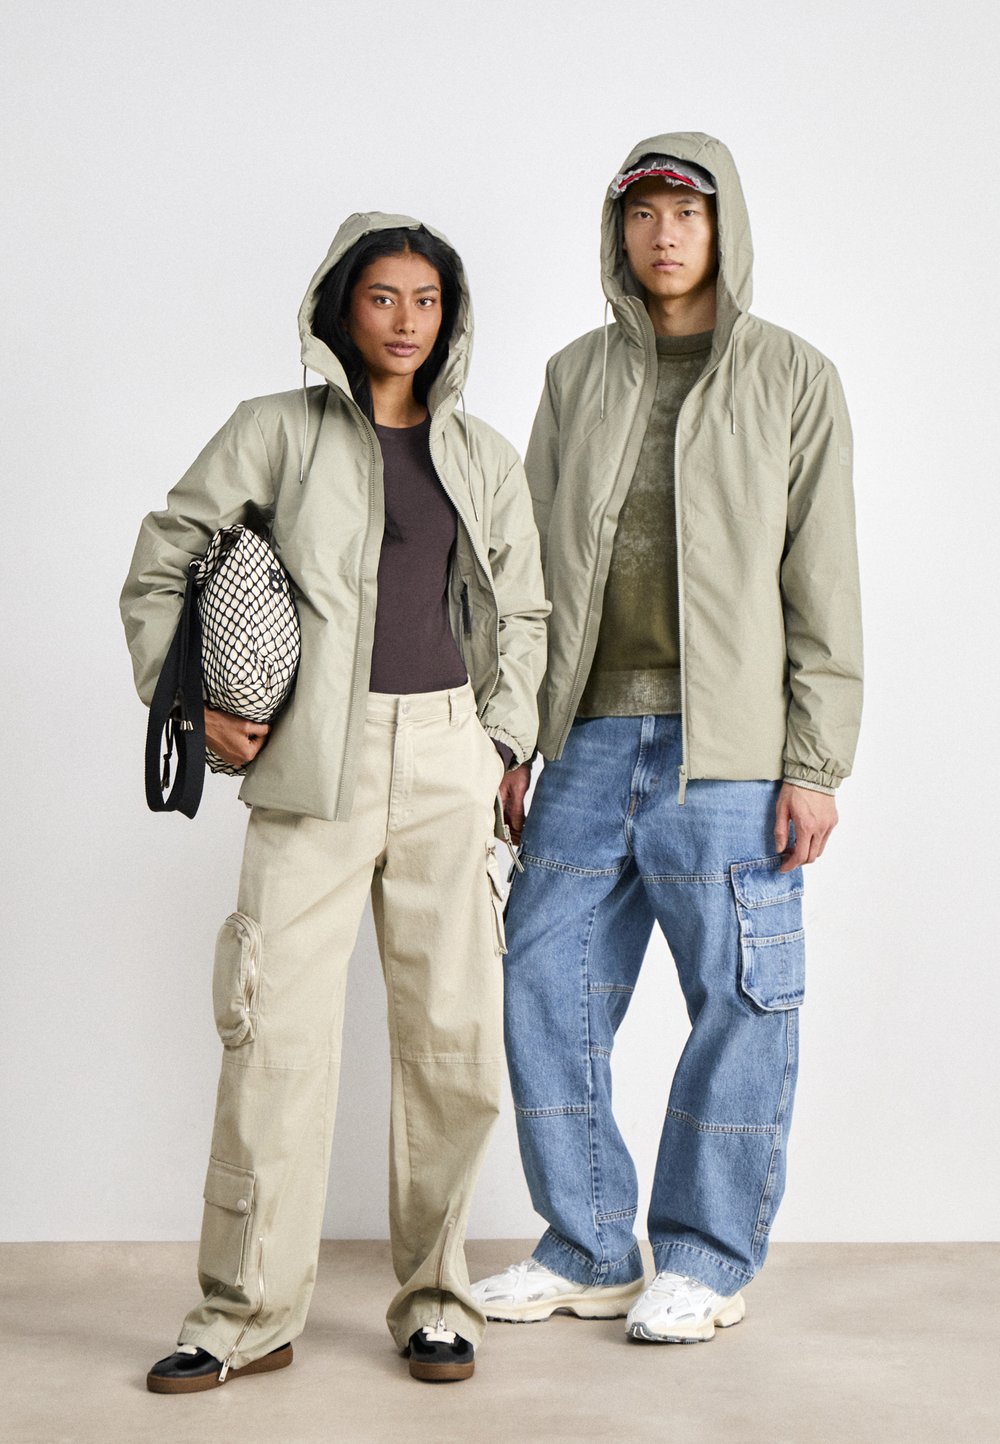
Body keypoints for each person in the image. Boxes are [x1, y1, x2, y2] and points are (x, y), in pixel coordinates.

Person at [121, 213, 548, 1389]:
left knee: (453, 1045)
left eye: (427, 300)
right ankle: (241, 1313)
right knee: (273, 1038)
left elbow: (525, 613)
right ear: (339, 307)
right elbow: (163, 560)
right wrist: (191, 702)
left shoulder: (483, 456)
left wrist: (498, 741)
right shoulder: (273, 430)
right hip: (317, 762)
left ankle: (439, 1301)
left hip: (451, 758)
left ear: (450, 318)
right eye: (383, 297)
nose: (406, 321)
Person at [472, 133, 862, 1343]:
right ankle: (588, 1244)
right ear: (618, 231)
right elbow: (523, 574)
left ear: (721, 224)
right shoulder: (575, 375)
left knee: (740, 998)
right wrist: (513, 736)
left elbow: (823, 580)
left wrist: (813, 763)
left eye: (685, 212)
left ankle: (703, 1258)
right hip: (589, 734)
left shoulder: (792, 376)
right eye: (641, 213)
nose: (664, 235)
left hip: (729, 747)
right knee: (545, 980)